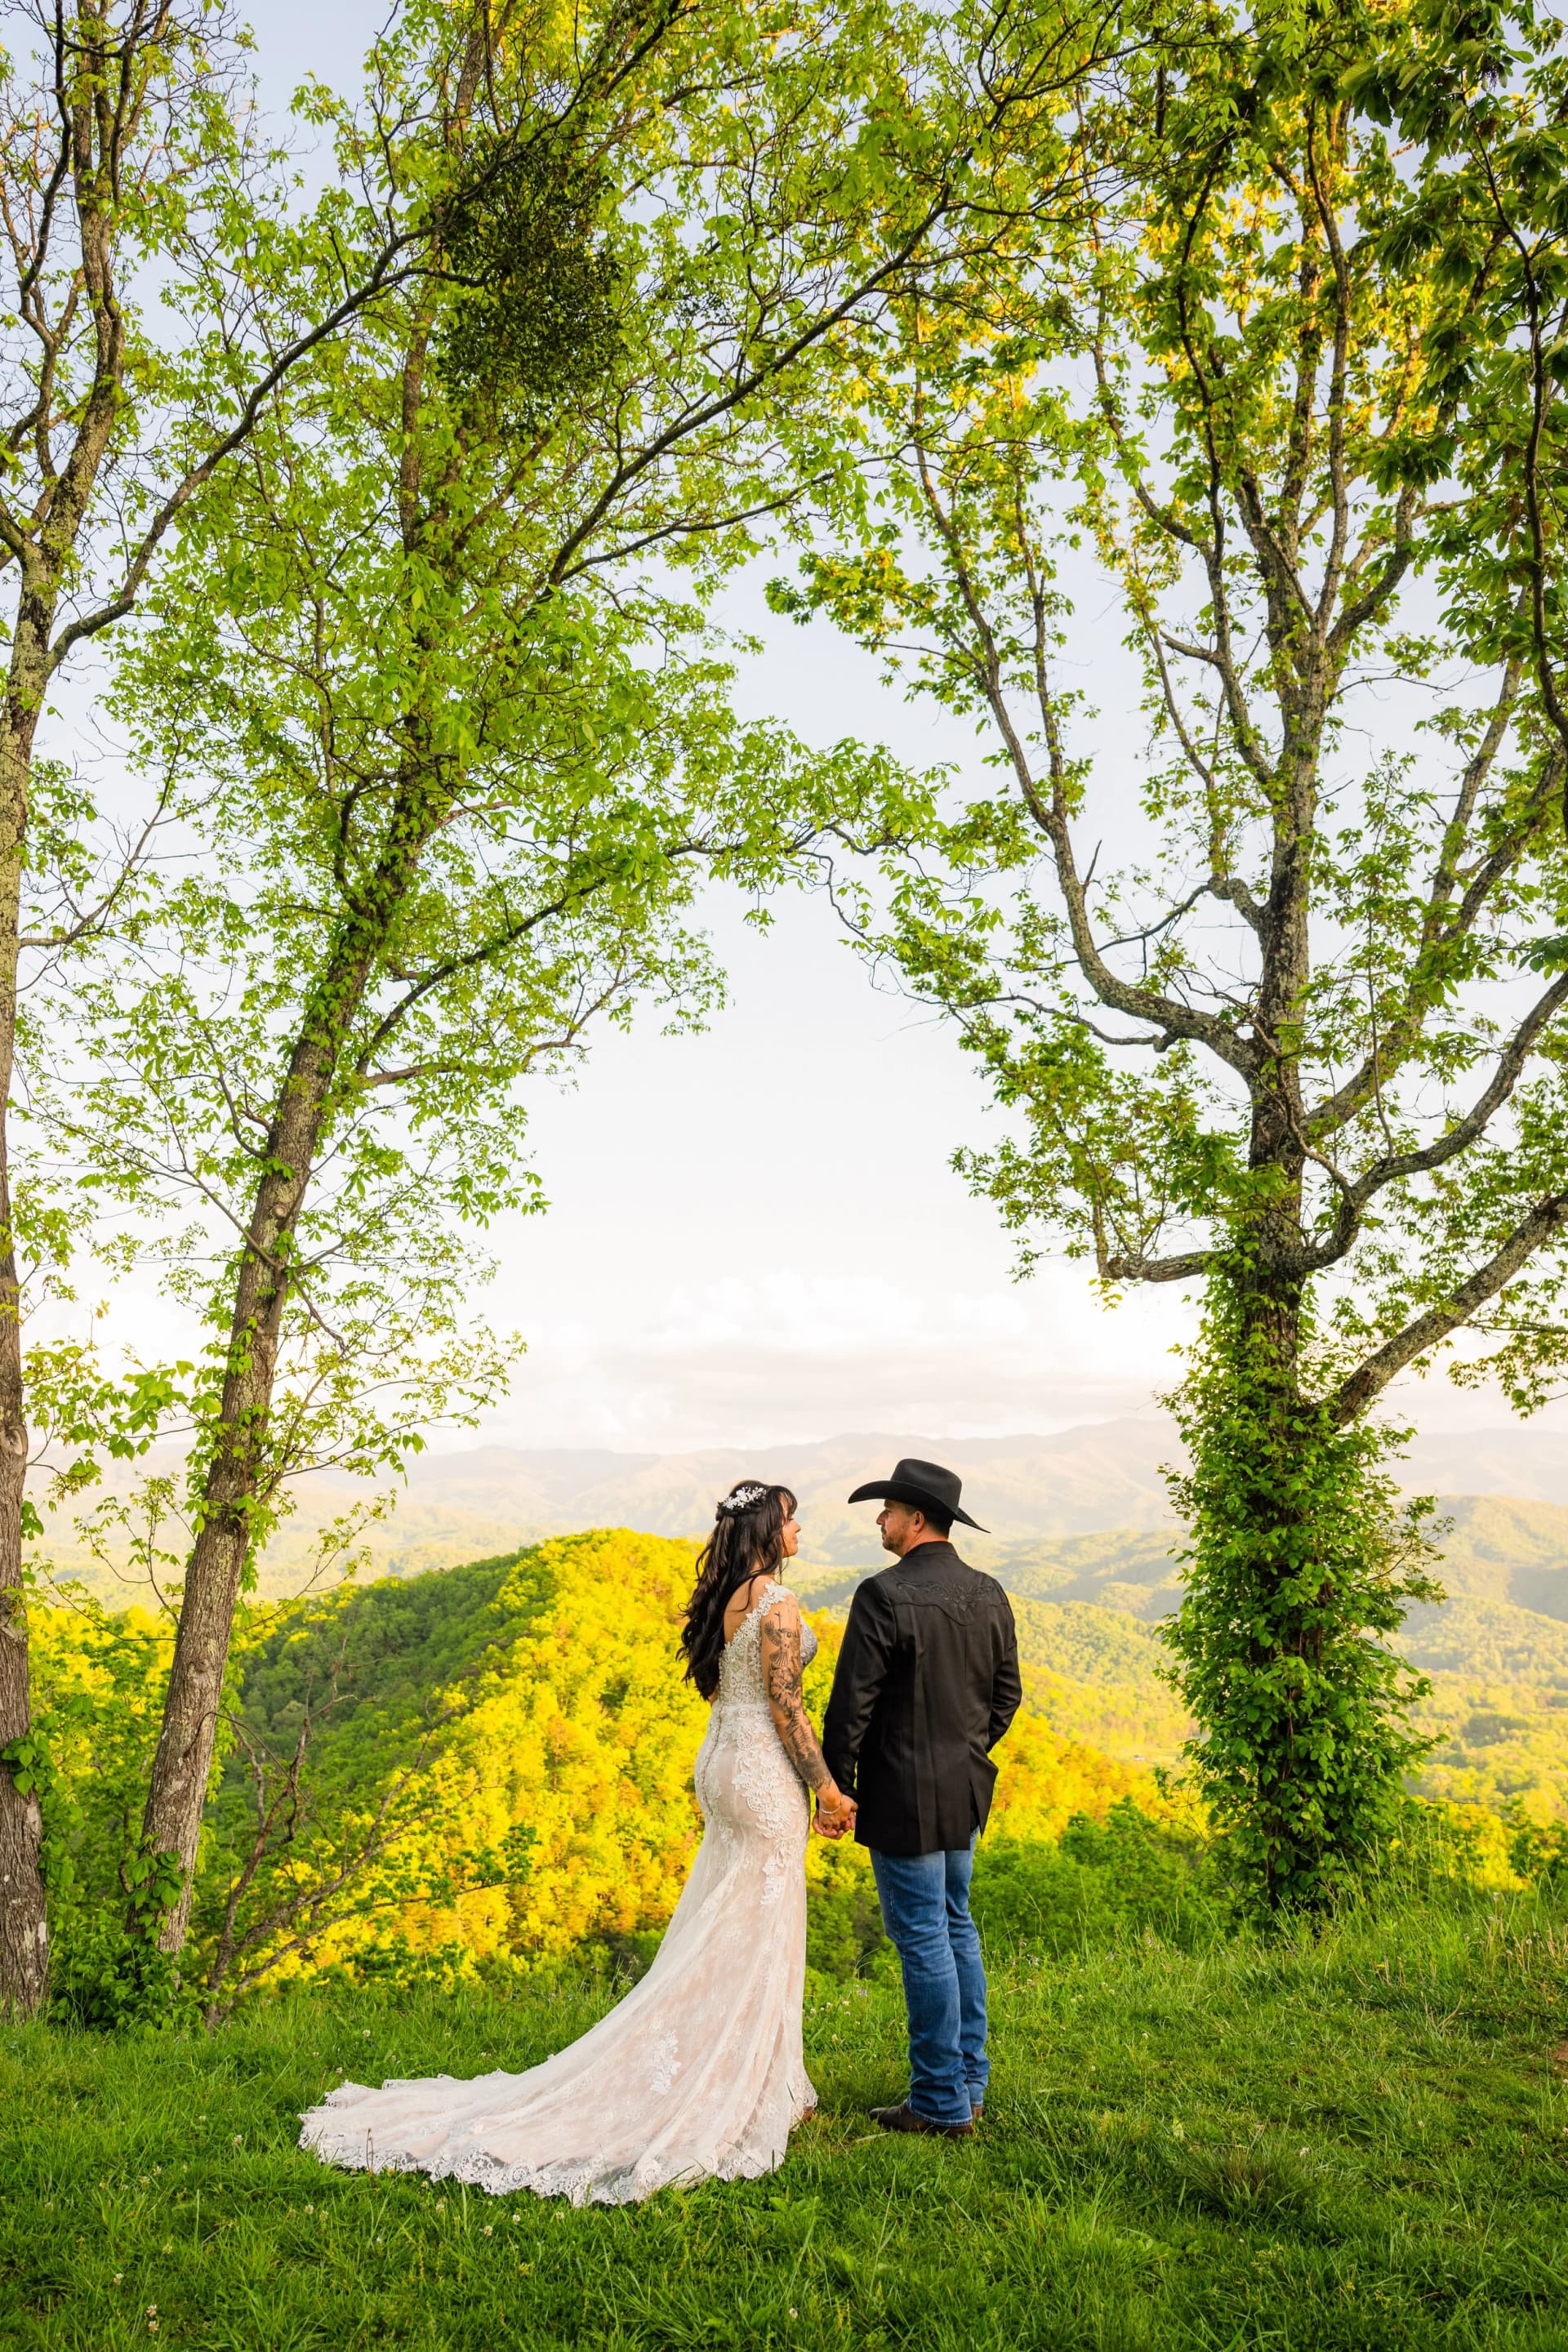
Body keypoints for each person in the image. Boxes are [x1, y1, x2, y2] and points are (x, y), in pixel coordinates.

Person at [298, 1481, 854, 2205]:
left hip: (720, 1762)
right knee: (759, 1927)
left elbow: (730, 1691)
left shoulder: (729, 1598)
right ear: (765, 1531)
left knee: (726, 1920)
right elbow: (787, 1704)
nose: (800, 1529)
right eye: (789, 1520)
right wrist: (829, 1790)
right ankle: (749, 2085)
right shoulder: (776, 1603)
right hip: (760, 1773)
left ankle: (762, 2073)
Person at [822, 1456, 1021, 2138]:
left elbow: (852, 1704)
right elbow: (1006, 1696)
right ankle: (969, 2083)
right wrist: (965, 1754)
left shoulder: (882, 1594)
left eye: (887, 1510)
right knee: (957, 1925)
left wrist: (835, 1786)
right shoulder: (989, 1590)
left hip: (902, 1793)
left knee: (923, 1937)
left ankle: (939, 2100)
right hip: (963, 1791)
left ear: (915, 1519)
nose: (879, 1519)